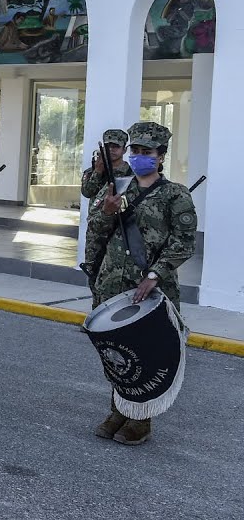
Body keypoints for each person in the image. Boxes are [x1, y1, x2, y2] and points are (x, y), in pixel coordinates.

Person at [88, 121, 197, 446]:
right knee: (117, 351)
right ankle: (119, 409)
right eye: (135, 150)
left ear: (161, 156)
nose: (138, 156)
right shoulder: (117, 186)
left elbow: (184, 242)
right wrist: (107, 211)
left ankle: (141, 419)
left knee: (145, 353)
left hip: (149, 286)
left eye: (146, 152)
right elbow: (95, 227)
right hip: (111, 283)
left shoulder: (175, 194)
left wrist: (154, 274)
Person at [80, 128, 134, 301]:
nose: (111, 150)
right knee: (93, 270)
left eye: (116, 146)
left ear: (124, 150)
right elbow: (87, 192)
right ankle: (97, 311)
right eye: (108, 146)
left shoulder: (131, 175)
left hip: (118, 230)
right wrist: (98, 171)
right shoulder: (93, 171)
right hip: (96, 230)